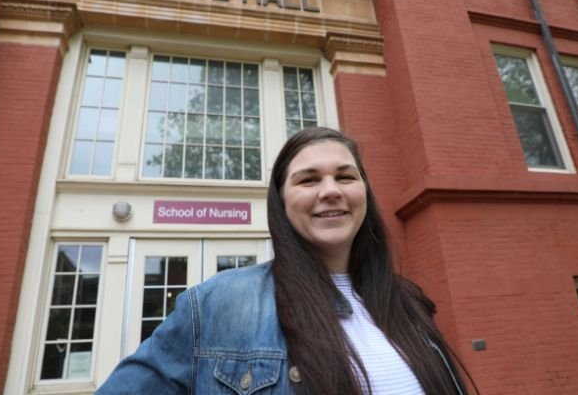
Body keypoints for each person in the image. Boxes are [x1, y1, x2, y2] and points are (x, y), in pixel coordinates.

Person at [97, 127, 474, 394]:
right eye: (308, 180)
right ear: (281, 201)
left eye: (345, 176)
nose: (330, 191)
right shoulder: (221, 304)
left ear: (364, 192)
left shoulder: (407, 301)